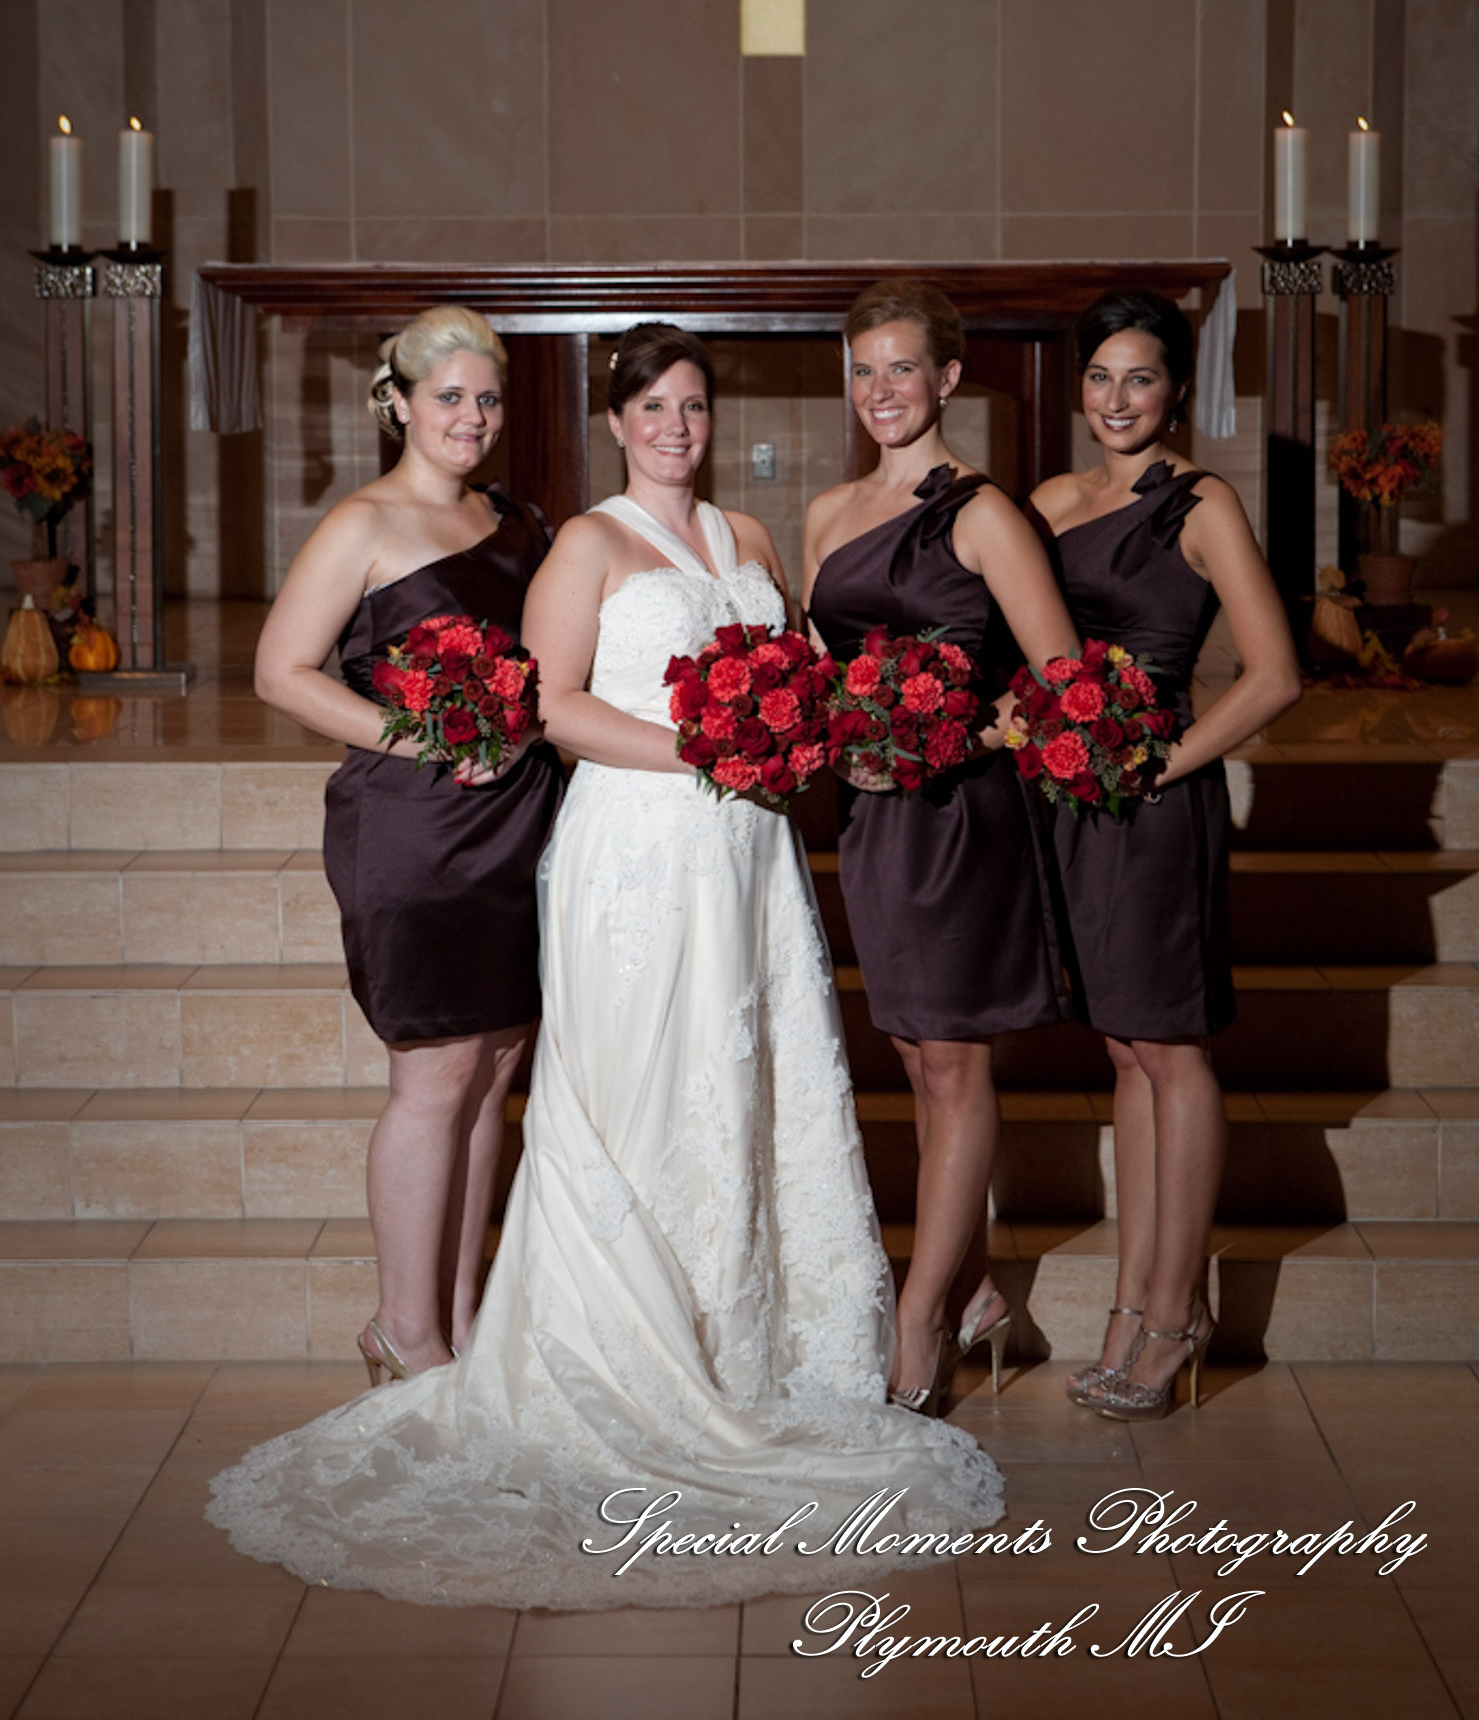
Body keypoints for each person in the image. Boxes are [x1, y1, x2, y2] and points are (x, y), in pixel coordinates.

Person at [207, 321, 1002, 1611]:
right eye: (652, 409)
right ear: (617, 424)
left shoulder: (737, 537)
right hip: (630, 847)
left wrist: (813, 724)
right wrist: (705, 746)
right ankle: (466, 1333)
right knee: (572, 1087)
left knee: (717, 1082)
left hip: (744, 856)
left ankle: (707, 1330)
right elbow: (552, 701)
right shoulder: (574, 540)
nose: (675, 427)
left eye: (694, 406)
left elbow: (800, 672)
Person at [252, 305, 563, 1380]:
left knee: (494, 1071)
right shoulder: (363, 523)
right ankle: (402, 1326)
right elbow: (280, 672)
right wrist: (423, 736)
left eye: (488, 399)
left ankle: (460, 1317)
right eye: (449, 397)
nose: (472, 417)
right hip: (415, 828)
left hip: (519, 820)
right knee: (434, 1077)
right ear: (397, 402)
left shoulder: (517, 520)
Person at [1028, 288, 1300, 1419]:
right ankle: (1132, 1306)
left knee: (1171, 1051)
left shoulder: (1203, 503)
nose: (1117, 399)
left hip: (1156, 804)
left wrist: (1160, 766)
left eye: (1139, 378)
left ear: (1177, 389)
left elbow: (1275, 673)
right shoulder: (1052, 501)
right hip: (1072, 803)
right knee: (1126, 1050)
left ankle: (1177, 1313)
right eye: (1100, 377)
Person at [805, 280, 1076, 1415]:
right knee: (917, 1058)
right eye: (864, 369)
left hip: (962, 818)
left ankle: (919, 1323)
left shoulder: (983, 512)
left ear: (949, 378)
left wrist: (945, 735)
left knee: (955, 1062)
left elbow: (1062, 681)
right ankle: (972, 1291)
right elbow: (820, 670)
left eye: (903, 368)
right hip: (872, 822)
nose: (881, 390)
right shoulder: (829, 512)